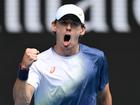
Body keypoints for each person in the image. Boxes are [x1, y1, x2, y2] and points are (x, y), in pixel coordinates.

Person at [13, 4, 112, 105]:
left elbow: (105, 97)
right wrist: (24, 69)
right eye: (64, 23)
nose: (68, 28)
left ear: (82, 30)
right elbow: (21, 102)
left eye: (74, 24)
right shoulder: (39, 62)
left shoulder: (97, 58)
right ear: (54, 26)